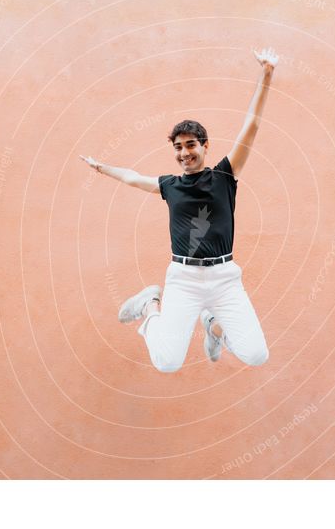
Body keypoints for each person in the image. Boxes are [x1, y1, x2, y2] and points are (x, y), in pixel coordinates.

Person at [80, 47, 279, 373]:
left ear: (204, 146)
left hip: (225, 278)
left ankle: (214, 326)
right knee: (167, 363)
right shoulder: (170, 185)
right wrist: (103, 168)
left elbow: (252, 126)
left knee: (257, 355)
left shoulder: (225, 176)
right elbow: (133, 178)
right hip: (183, 280)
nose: (184, 153)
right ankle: (151, 304)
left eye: (190, 145)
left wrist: (267, 73)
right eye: (178, 147)